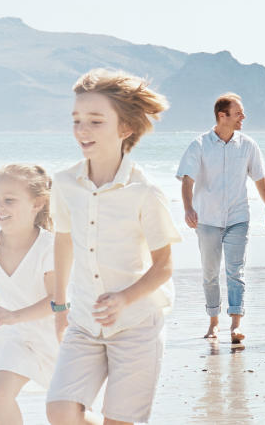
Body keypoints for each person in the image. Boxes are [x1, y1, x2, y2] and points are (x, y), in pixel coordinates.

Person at [44, 69, 181, 425]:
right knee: (60, 413)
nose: (82, 130)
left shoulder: (145, 192)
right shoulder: (63, 183)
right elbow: (62, 240)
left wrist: (124, 298)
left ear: (126, 128)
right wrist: (60, 307)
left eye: (95, 121)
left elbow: (164, 265)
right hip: (84, 323)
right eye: (76, 120)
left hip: (136, 326)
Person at [176, 93, 265, 344]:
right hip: (207, 219)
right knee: (210, 273)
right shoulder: (198, 145)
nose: (243, 117)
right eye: (238, 113)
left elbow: (261, 180)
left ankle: (235, 325)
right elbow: (187, 180)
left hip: (238, 217)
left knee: (236, 272)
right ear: (222, 116)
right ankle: (213, 323)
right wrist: (188, 208)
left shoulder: (248, 145)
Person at [0, 164, 67, 425]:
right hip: (18, 337)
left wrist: (14, 315)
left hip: (57, 339)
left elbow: (56, 300)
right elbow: (4, 272)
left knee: (67, 416)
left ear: (37, 203)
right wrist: (2, 280)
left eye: (9, 200)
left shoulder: (50, 248)